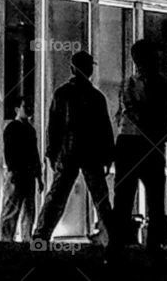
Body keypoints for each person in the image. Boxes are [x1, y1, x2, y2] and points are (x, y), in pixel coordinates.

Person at [113, 40, 167, 253]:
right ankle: (153, 246)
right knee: (155, 197)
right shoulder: (160, 83)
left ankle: (116, 247)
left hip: (126, 142)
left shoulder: (126, 84)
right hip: (150, 143)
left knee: (123, 197)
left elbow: (121, 114)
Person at [33, 52, 117, 247]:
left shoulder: (62, 94)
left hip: (68, 150)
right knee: (101, 198)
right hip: (91, 152)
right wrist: (108, 156)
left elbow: (54, 127)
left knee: (57, 196)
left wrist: (52, 153)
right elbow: (104, 129)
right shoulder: (96, 97)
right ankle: (111, 238)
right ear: (89, 70)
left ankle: (41, 236)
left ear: (72, 69)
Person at [0, 97, 43, 242]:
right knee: (18, 208)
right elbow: (10, 152)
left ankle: (12, 239)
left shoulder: (26, 129)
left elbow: (34, 154)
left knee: (23, 209)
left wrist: (38, 176)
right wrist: (14, 170)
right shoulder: (16, 128)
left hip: (25, 173)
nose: (29, 109)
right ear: (17, 109)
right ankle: (12, 239)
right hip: (20, 173)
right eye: (26, 107)